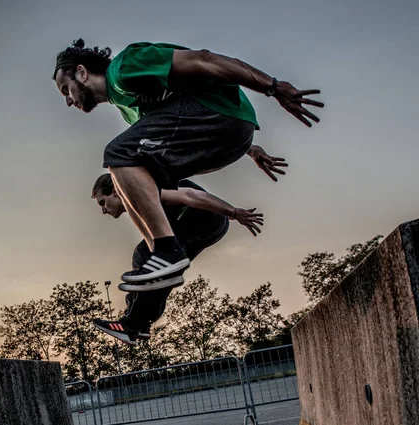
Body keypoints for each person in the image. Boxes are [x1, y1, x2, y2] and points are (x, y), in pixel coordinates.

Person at [52, 39, 323, 290]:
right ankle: (153, 276)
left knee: (118, 154)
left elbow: (204, 60)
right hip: (223, 138)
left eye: (66, 89)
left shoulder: (125, 67)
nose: (67, 100)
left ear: (82, 73)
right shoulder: (128, 110)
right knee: (140, 178)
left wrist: (272, 87)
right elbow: (178, 133)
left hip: (221, 113)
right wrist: (249, 150)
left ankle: (166, 251)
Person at [90, 164, 277, 345]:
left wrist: (233, 212)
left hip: (204, 217)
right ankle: (140, 325)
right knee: (164, 272)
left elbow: (190, 195)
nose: (103, 210)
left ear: (115, 191)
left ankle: (131, 324)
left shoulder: (142, 192)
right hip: (209, 224)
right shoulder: (139, 207)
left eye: (102, 202)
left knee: (144, 254)